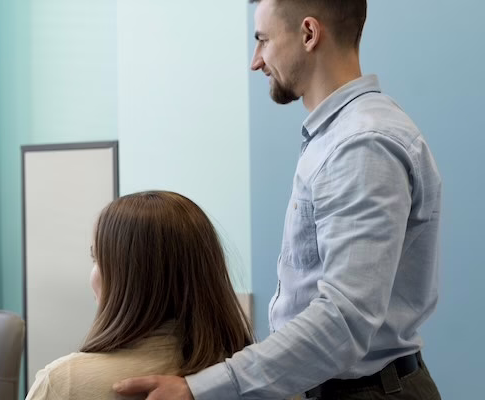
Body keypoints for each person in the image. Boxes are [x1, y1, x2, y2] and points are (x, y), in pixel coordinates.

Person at [114, 1, 443, 399]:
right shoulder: (338, 138)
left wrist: (202, 389)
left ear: (308, 34)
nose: (256, 61)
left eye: (263, 40)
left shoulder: (361, 146)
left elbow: (345, 320)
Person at [25, 190, 253, 400]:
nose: (93, 275)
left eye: (97, 260)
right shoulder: (259, 379)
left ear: (125, 279)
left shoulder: (64, 383)